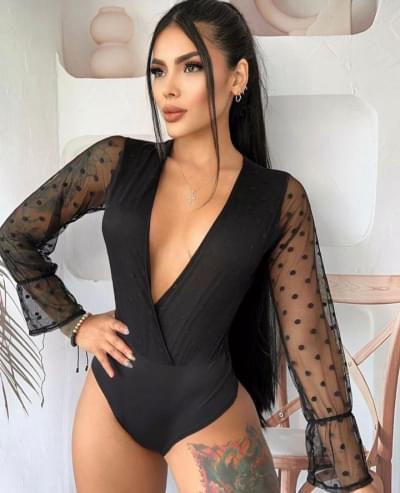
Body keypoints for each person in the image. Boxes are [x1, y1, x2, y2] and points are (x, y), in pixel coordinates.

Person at [0, 1, 377, 492]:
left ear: (237, 77)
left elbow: (310, 339)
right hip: (112, 404)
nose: (168, 88)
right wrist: (76, 324)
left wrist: (351, 474)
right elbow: (16, 234)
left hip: (208, 409)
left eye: (191, 67)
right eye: (158, 70)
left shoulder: (277, 198)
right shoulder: (118, 160)